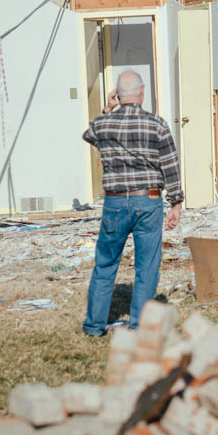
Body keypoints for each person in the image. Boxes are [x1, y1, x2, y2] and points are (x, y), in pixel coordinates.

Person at [81, 70, 183, 336]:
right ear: (142, 92)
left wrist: (106, 109)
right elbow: (170, 165)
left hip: (115, 203)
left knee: (105, 264)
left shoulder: (102, 125)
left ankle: (94, 326)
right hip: (147, 200)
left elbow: (88, 135)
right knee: (146, 266)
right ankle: (139, 325)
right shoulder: (157, 124)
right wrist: (176, 202)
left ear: (117, 94)